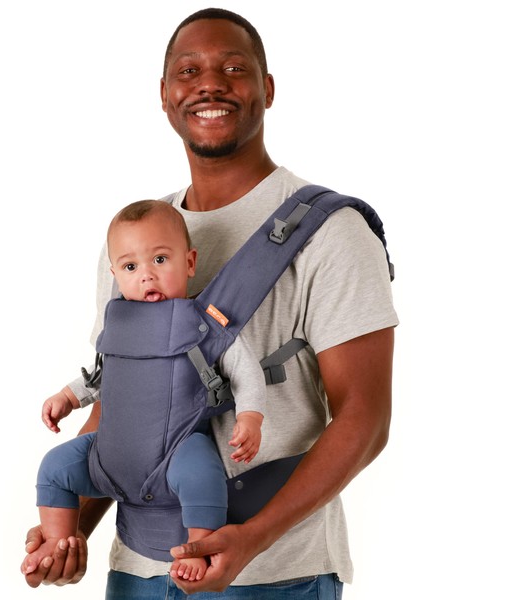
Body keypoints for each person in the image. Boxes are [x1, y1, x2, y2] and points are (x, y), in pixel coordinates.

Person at [23, 7, 398, 598]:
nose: (210, 85)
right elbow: (123, 402)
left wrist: (252, 538)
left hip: (275, 576)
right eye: (188, 70)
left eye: (233, 68)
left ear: (267, 88)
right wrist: (72, 534)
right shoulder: (133, 240)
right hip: (138, 570)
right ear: (165, 95)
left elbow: (365, 420)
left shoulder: (331, 232)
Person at [22, 199, 265, 582]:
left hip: (177, 450)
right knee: (54, 467)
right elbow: (101, 375)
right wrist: (68, 398)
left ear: (189, 262)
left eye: (160, 260)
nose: (147, 276)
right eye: (131, 267)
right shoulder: (117, 322)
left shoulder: (204, 323)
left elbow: (246, 372)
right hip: (110, 455)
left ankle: (199, 546)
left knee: (203, 475)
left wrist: (250, 416)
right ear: (115, 274)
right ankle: (58, 540)